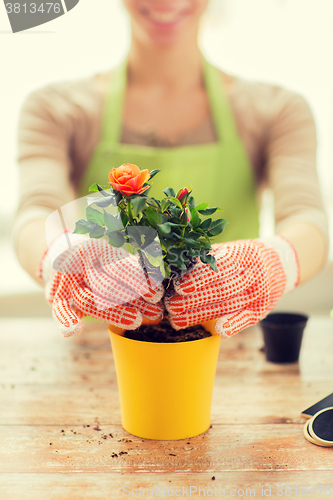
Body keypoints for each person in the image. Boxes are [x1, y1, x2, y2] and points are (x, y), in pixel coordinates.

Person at [13, 0, 328, 338]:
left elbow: (307, 218)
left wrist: (272, 260)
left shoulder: (277, 109)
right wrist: (59, 257)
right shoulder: (56, 108)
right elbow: (36, 211)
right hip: (99, 348)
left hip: (228, 343)